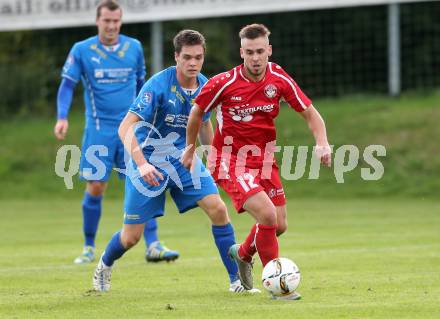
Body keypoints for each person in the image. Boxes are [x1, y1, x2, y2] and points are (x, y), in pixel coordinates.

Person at [92, 29, 258, 294]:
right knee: (131, 237)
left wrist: (215, 160)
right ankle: (104, 264)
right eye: (187, 57)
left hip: (184, 160)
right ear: (176, 57)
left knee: (218, 209)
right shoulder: (157, 85)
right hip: (148, 161)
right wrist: (142, 164)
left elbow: (204, 125)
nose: (193, 63)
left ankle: (236, 282)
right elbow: (125, 127)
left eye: (198, 57)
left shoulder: (205, 85)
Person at [182, 23, 332, 300]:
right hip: (228, 159)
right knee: (267, 215)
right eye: (249, 52)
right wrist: (190, 149)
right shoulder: (224, 82)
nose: (255, 58)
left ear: (269, 51)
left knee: (279, 224)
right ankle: (279, 288)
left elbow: (311, 113)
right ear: (241, 52)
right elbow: (196, 113)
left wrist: (322, 142)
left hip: (264, 160)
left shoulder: (279, 79)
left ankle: (242, 253)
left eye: (260, 51)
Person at [53, 0, 179, 264]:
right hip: (99, 130)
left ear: (120, 21)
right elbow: (67, 85)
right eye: (106, 21)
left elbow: (143, 86)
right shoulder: (82, 50)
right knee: (96, 186)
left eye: (115, 21)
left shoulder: (134, 47)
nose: (111, 26)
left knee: (145, 181)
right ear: (97, 21)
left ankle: (153, 245)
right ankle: (88, 247)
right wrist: (62, 117)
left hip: (132, 130)